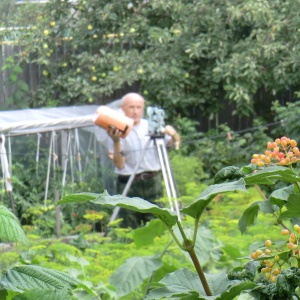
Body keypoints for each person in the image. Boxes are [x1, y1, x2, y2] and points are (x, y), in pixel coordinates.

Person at [107, 92, 180, 228]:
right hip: (129, 183)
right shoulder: (115, 130)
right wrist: (116, 141)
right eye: (131, 107)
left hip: (152, 182)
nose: (135, 111)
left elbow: (173, 144)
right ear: (122, 108)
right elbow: (119, 164)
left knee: (156, 225)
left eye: (138, 107)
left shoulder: (152, 126)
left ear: (143, 108)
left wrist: (173, 134)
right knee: (128, 227)